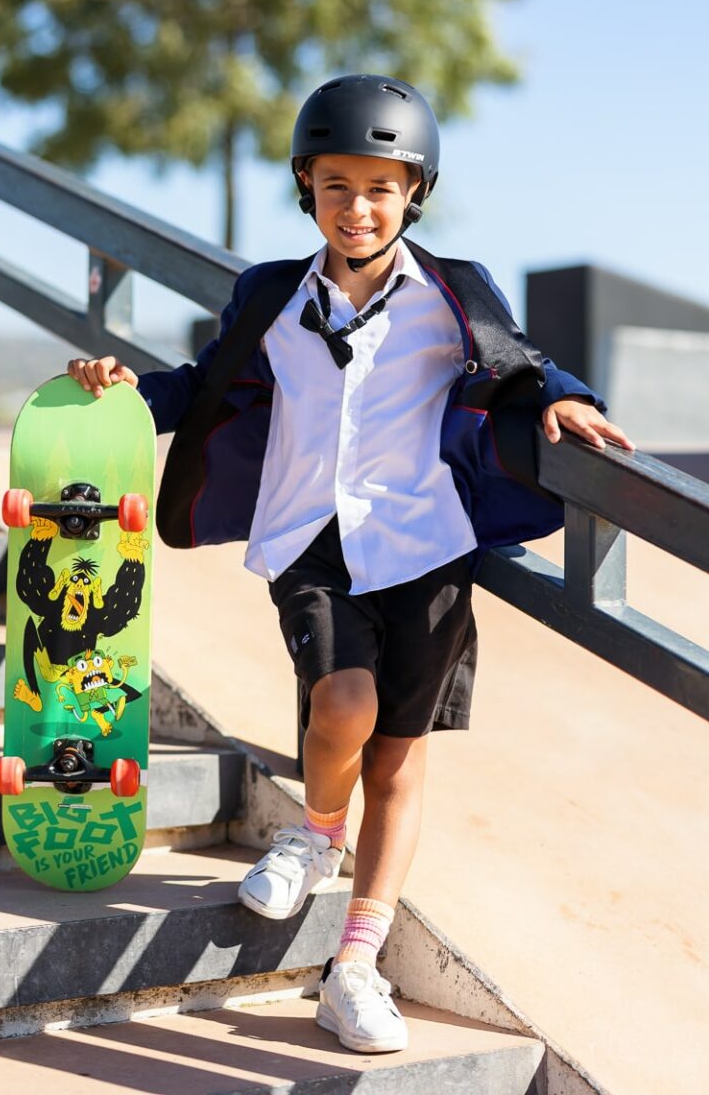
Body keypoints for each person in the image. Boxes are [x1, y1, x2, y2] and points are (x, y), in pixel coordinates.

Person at [67, 73, 634, 1055]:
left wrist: (563, 402)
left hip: (425, 547)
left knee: (400, 762)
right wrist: (122, 394)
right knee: (341, 709)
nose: (358, 206)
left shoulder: (453, 288)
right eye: (337, 185)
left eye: (382, 186)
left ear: (415, 191)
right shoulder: (271, 295)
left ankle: (357, 966)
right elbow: (205, 386)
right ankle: (317, 830)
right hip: (309, 540)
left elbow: (521, 361)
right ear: (307, 188)